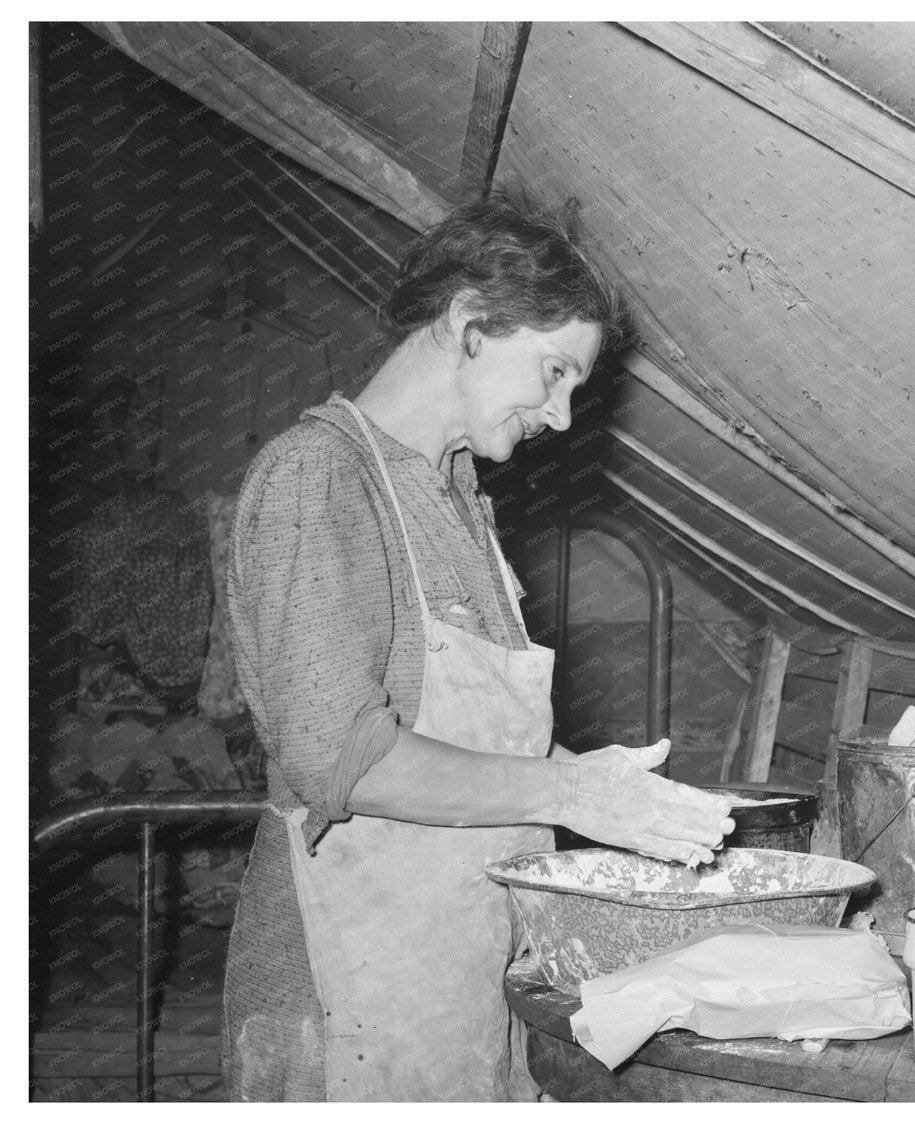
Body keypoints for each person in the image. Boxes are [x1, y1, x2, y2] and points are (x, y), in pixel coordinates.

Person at [222, 196, 736, 1102]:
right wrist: (567, 792)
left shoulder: (455, 495)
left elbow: (477, 744)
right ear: (468, 324)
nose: (564, 415)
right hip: (344, 991)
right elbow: (340, 758)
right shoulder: (320, 475)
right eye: (554, 370)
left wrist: (606, 788)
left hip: (450, 965)